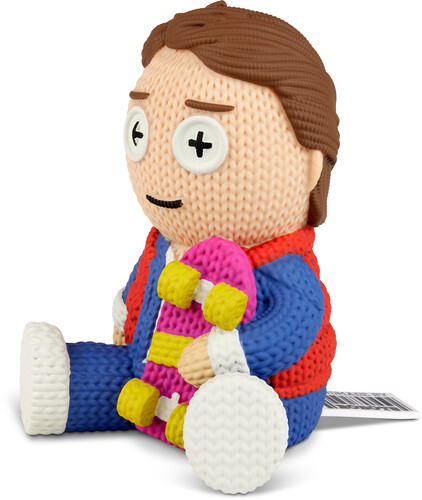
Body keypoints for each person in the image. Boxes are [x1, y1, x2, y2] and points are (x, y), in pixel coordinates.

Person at [20, 2, 340, 493]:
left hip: (269, 390)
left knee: (239, 403)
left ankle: (232, 433)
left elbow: (293, 326)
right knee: (119, 379)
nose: (159, 171)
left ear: (309, 167)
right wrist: (127, 309)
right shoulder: (165, 242)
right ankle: (64, 384)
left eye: (199, 144)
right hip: (152, 367)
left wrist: (226, 355)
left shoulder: (282, 266)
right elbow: (146, 278)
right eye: (140, 134)